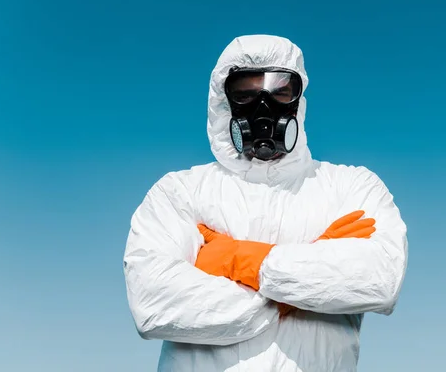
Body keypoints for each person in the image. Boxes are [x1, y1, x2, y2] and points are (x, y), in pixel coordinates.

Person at [123, 34, 408, 372]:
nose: (263, 107)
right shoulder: (179, 192)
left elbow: (379, 278)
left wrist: (240, 260)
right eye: (245, 94)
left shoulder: (351, 187)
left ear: (297, 102)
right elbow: (155, 304)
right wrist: (309, 284)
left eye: (280, 92)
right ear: (223, 102)